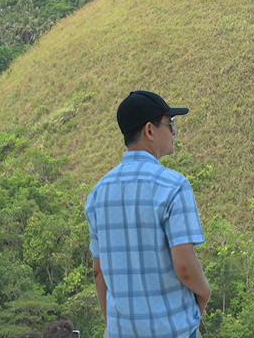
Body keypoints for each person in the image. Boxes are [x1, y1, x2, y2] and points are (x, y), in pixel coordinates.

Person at [86, 90, 211, 338]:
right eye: (170, 123)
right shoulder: (174, 186)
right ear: (150, 131)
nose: (174, 131)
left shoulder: (98, 193)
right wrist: (204, 294)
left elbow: (98, 272)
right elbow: (184, 265)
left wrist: (112, 326)